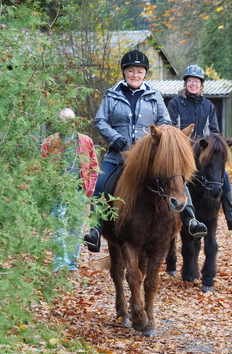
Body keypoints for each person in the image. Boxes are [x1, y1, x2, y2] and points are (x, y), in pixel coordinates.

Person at [83, 50, 208, 252]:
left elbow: (165, 122)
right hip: (118, 154)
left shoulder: (154, 95)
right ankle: (95, 230)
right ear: (124, 72)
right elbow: (100, 120)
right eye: (131, 71)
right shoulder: (112, 94)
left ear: (145, 74)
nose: (135, 75)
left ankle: (191, 219)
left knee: (176, 178)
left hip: (147, 156)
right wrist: (114, 137)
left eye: (139, 71)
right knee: (100, 184)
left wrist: (160, 140)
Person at [167, 64, 232, 230]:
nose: (193, 84)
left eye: (196, 81)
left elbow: (214, 131)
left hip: (202, 153)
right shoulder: (175, 103)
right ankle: (180, 215)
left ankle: (231, 214)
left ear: (201, 84)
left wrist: (207, 146)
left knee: (222, 174)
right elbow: (171, 129)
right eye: (190, 81)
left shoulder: (208, 105)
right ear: (185, 83)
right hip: (182, 153)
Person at [42, 108, 99, 271]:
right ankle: (60, 263)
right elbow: (44, 169)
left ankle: (72, 264)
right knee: (59, 229)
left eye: (68, 121)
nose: (65, 124)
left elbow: (94, 166)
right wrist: (50, 187)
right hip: (57, 193)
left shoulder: (85, 141)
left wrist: (89, 189)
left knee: (75, 229)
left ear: (74, 122)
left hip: (78, 192)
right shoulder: (49, 142)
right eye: (62, 121)